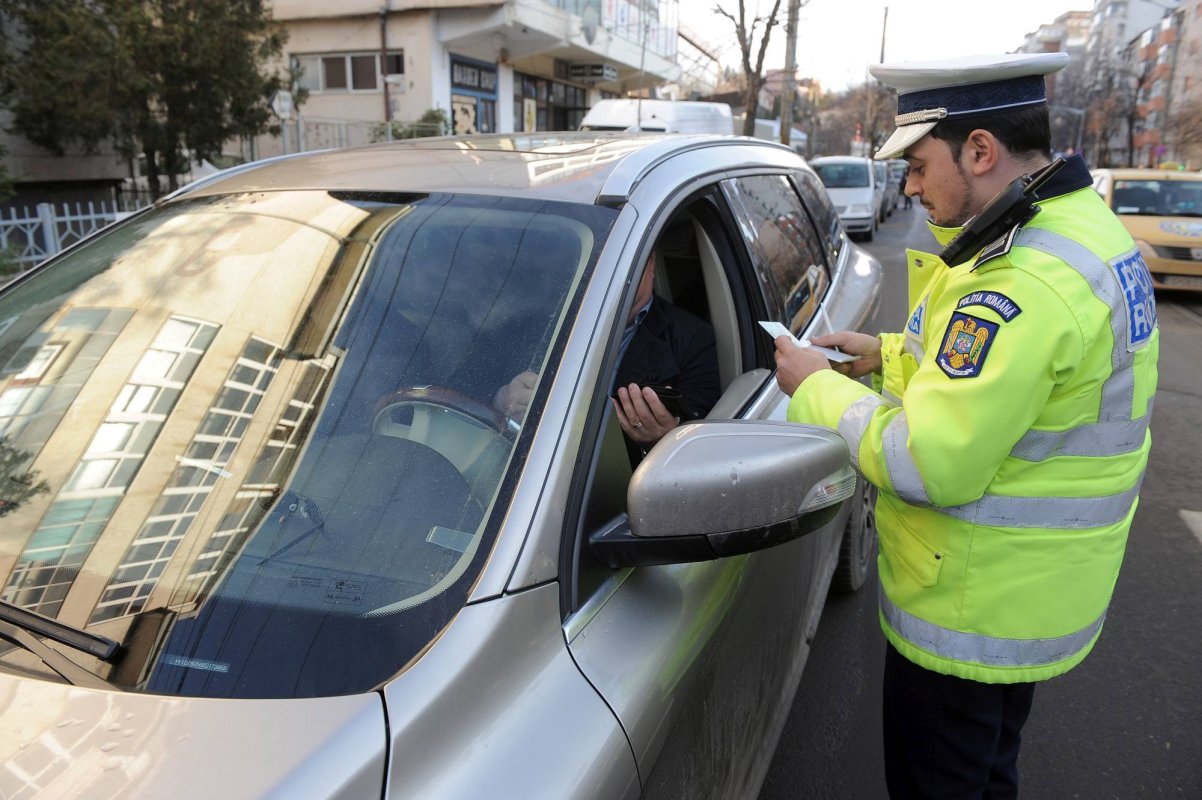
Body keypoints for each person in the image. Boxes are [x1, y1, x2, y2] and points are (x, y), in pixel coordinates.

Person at [772, 53, 1159, 799]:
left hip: (971, 611)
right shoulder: (1078, 229)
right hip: (1030, 599)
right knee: (987, 776)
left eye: (918, 165)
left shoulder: (1025, 279)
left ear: (980, 151)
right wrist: (881, 359)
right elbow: (1012, 386)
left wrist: (815, 389)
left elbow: (929, 462)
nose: (910, 187)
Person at [495, 247, 720, 462]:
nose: (607, 274)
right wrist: (501, 399)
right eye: (597, 262)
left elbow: (704, 449)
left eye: (623, 262)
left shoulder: (695, 340)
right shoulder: (532, 321)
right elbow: (471, 383)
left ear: (650, 263)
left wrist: (665, 441)